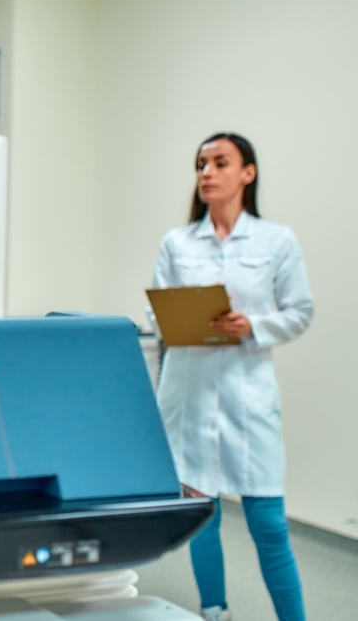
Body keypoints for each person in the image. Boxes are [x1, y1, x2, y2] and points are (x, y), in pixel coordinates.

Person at [151, 132, 313, 621]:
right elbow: (156, 311)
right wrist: (176, 319)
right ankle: (214, 612)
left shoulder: (276, 240)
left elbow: (300, 310)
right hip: (190, 394)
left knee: (268, 525)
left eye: (220, 163)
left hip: (248, 396)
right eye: (201, 163)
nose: (207, 172)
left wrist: (254, 326)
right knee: (204, 518)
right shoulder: (176, 243)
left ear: (248, 173)